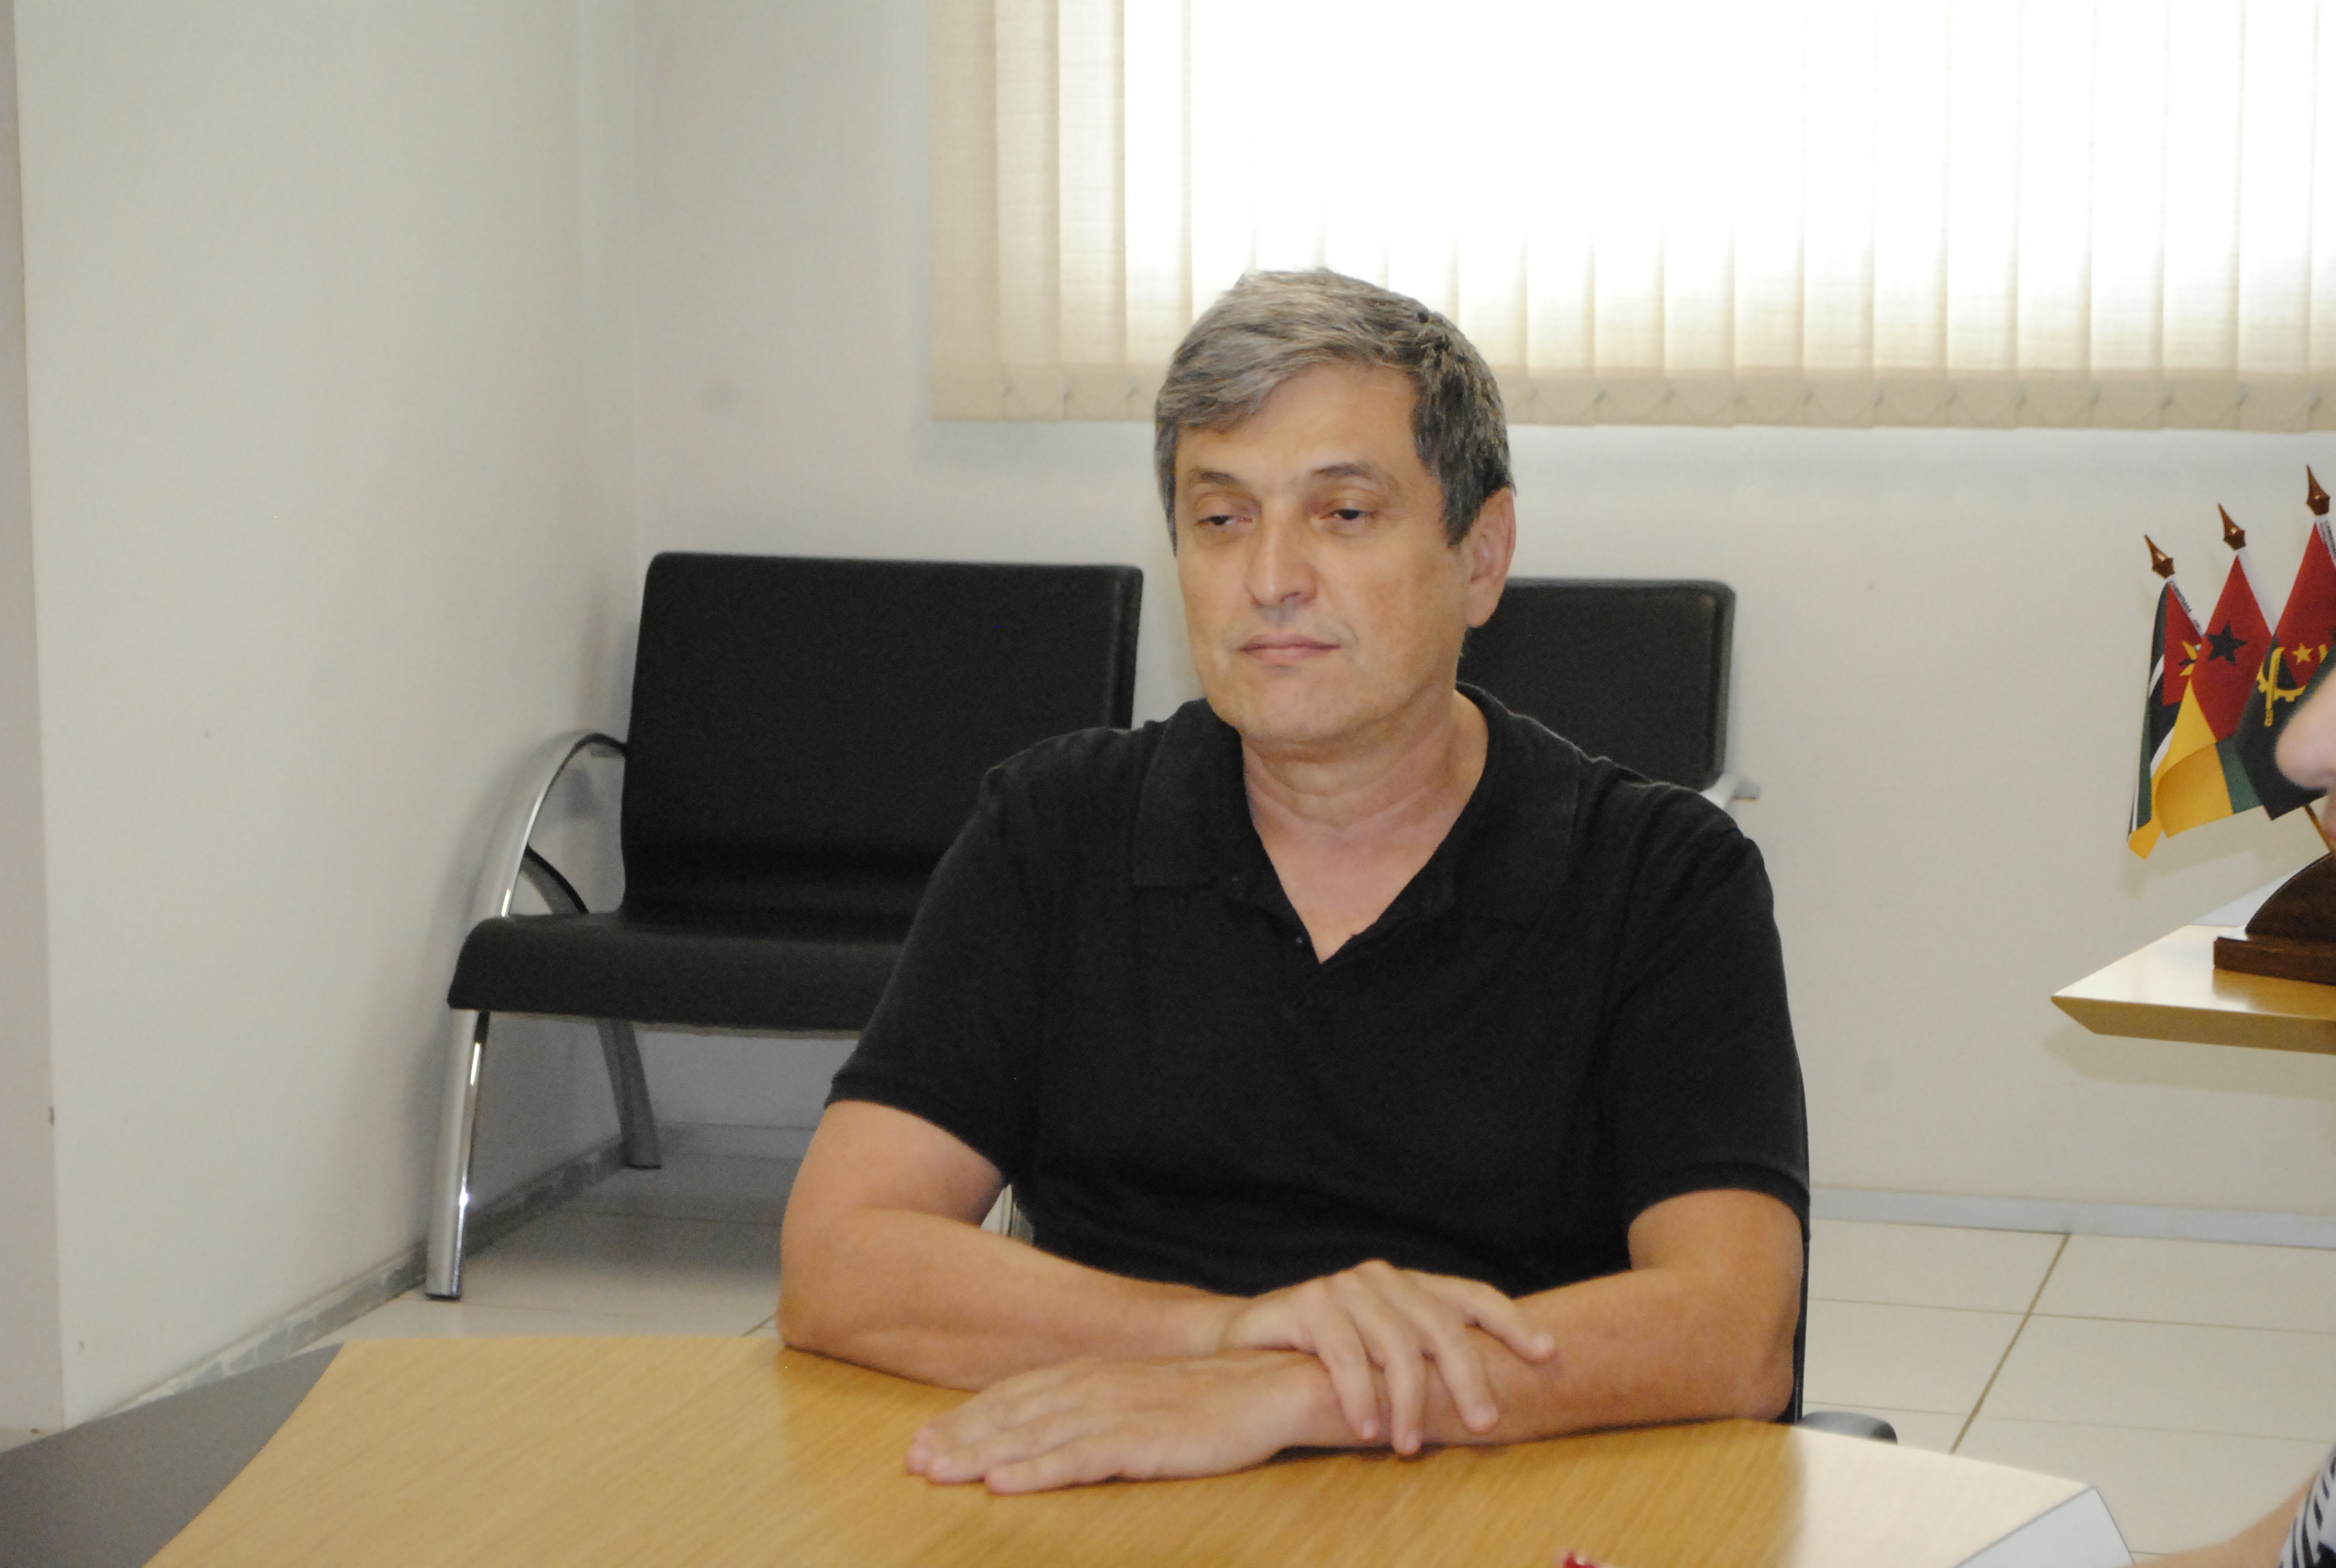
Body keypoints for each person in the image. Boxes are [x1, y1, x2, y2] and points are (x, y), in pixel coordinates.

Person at [777, 269, 1809, 1495]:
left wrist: (1300, 1397)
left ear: (1482, 556)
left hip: (1510, 1498)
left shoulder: (1660, 878)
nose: (1271, 576)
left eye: (1344, 513)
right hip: (1114, 1492)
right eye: (1221, 519)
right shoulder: (1056, 830)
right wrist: (1223, 1339)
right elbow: (839, 1261)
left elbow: (1734, 1331)